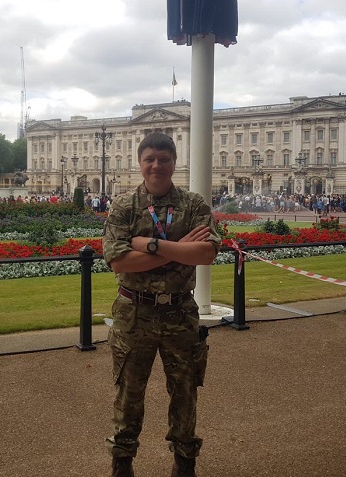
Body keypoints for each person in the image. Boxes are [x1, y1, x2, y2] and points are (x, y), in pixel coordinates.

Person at [102, 132, 220, 477]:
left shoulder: (194, 204)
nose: (157, 165)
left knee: (184, 392)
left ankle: (184, 463)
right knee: (129, 393)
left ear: (174, 163)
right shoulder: (124, 205)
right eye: (150, 158)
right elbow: (119, 262)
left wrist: (150, 246)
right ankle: (122, 463)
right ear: (140, 163)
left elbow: (207, 253)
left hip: (179, 311)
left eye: (164, 159)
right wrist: (178, 249)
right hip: (134, 312)